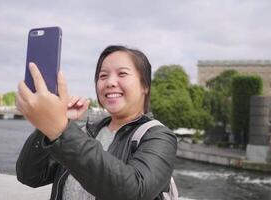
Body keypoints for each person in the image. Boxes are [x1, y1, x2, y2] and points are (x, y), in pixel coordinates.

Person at [16, 45, 177, 200]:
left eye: (122, 74)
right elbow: (30, 176)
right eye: (103, 76)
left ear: (145, 86)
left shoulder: (159, 137)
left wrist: (61, 130)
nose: (110, 82)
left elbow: (134, 191)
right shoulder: (85, 133)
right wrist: (51, 126)